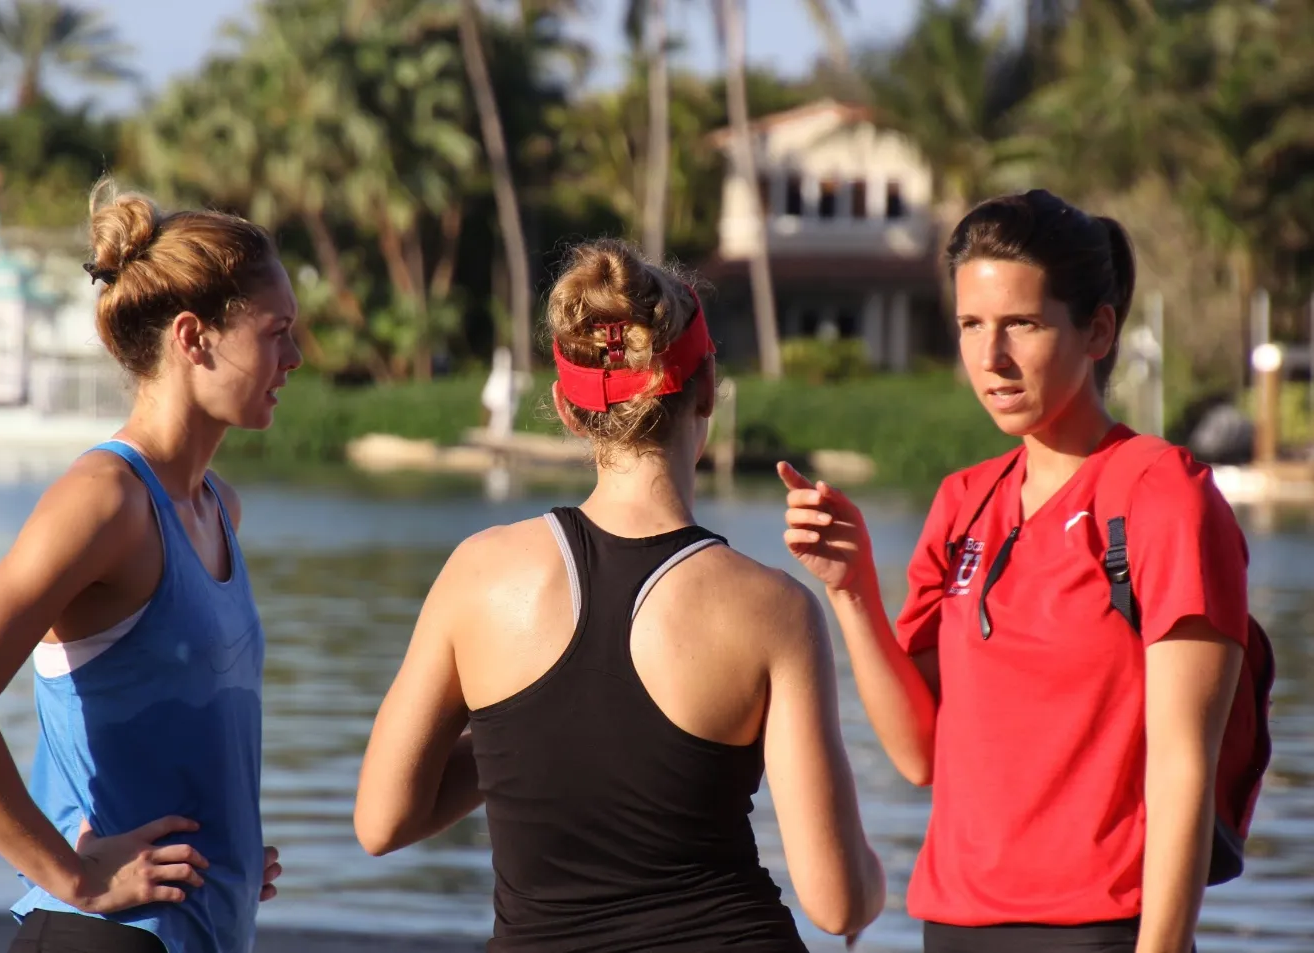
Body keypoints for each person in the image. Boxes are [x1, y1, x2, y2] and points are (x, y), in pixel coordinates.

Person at [354, 239, 886, 952]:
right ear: (708, 390)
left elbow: (381, 821)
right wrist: (874, 880)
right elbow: (837, 903)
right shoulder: (774, 609)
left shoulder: (477, 575)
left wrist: (529, 738)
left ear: (568, 410)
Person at [779, 190, 1251, 953]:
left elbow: (1181, 767)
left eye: (1021, 324)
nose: (989, 358)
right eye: (970, 324)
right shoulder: (961, 502)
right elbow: (918, 753)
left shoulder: (1162, 495)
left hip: (1101, 929)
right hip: (953, 924)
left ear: (1097, 330)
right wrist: (851, 589)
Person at [0, 179, 301, 953]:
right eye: (276, 331)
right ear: (194, 337)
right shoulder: (105, 500)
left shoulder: (220, 507)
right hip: (99, 937)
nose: (296, 356)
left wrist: (230, 847)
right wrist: (73, 875)